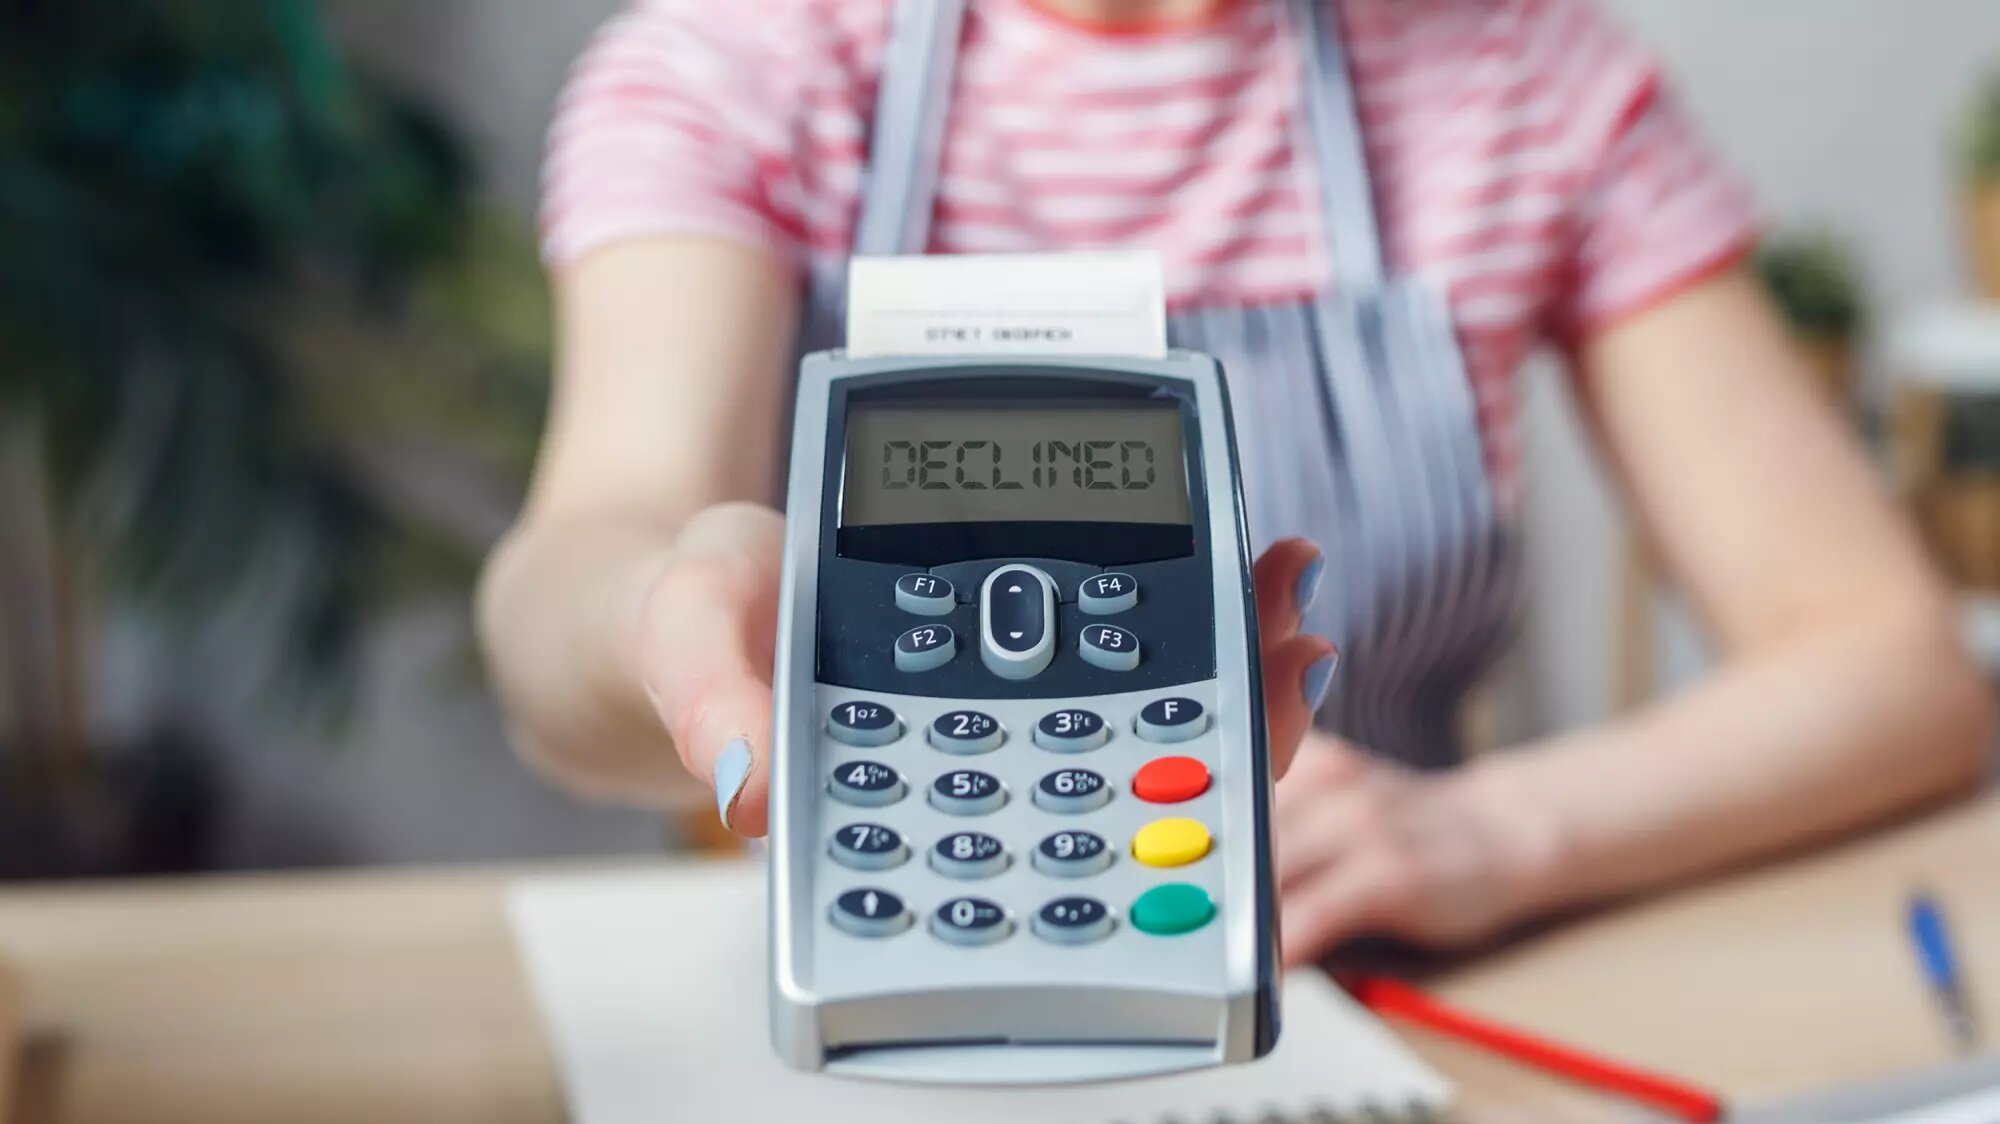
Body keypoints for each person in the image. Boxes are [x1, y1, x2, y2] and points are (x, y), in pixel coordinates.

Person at [477, 0, 1995, 967]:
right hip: (883, 946)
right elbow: (581, 569)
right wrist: (658, 622)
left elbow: (1894, 661)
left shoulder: (1528, 77)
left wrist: (1490, 834)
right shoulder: (740, 70)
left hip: (1382, 992)